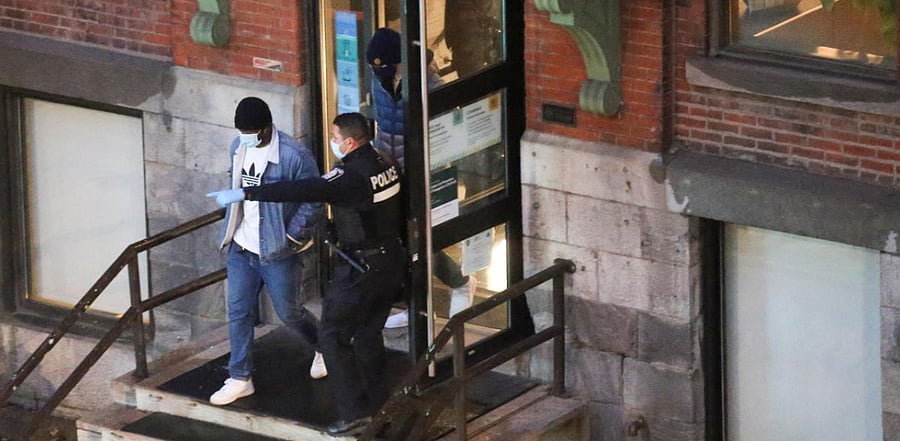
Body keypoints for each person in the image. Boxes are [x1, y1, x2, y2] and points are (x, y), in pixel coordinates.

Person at [207, 112, 405, 436]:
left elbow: (303, 189)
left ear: (351, 141)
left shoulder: (350, 177)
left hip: (360, 268)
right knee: (368, 334)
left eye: (335, 137)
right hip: (389, 262)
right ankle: (380, 404)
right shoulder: (386, 165)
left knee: (331, 337)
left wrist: (247, 193)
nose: (333, 142)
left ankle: (354, 412)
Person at [206, 97, 327, 407]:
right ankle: (239, 377)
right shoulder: (238, 145)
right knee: (238, 310)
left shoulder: (292, 155)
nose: (243, 135)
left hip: (277, 250)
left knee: (288, 312)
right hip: (242, 247)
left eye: (249, 131)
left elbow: (315, 198)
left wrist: (290, 236)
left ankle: (324, 345)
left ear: (264, 129)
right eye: (241, 131)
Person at [366, 27, 478, 329]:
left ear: (403, 61)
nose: (382, 75)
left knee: (424, 237)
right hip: (390, 167)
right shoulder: (380, 79)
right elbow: (382, 123)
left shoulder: (429, 84)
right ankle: (416, 303)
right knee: (399, 237)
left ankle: (461, 281)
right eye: (377, 70)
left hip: (424, 170)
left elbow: (451, 128)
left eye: (388, 68)